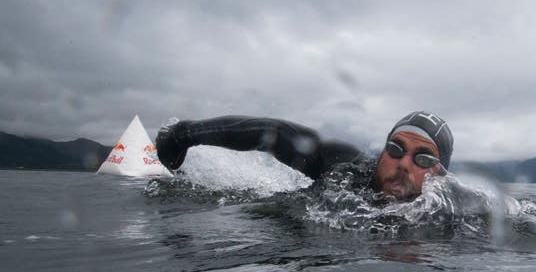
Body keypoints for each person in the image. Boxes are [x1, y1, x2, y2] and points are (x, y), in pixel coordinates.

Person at [155, 111, 453, 202]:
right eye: (396, 149)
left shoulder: (453, 212)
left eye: (423, 159)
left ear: (439, 174)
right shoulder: (346, 168)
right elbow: (275, 134)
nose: (402, 164)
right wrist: (182, 135)